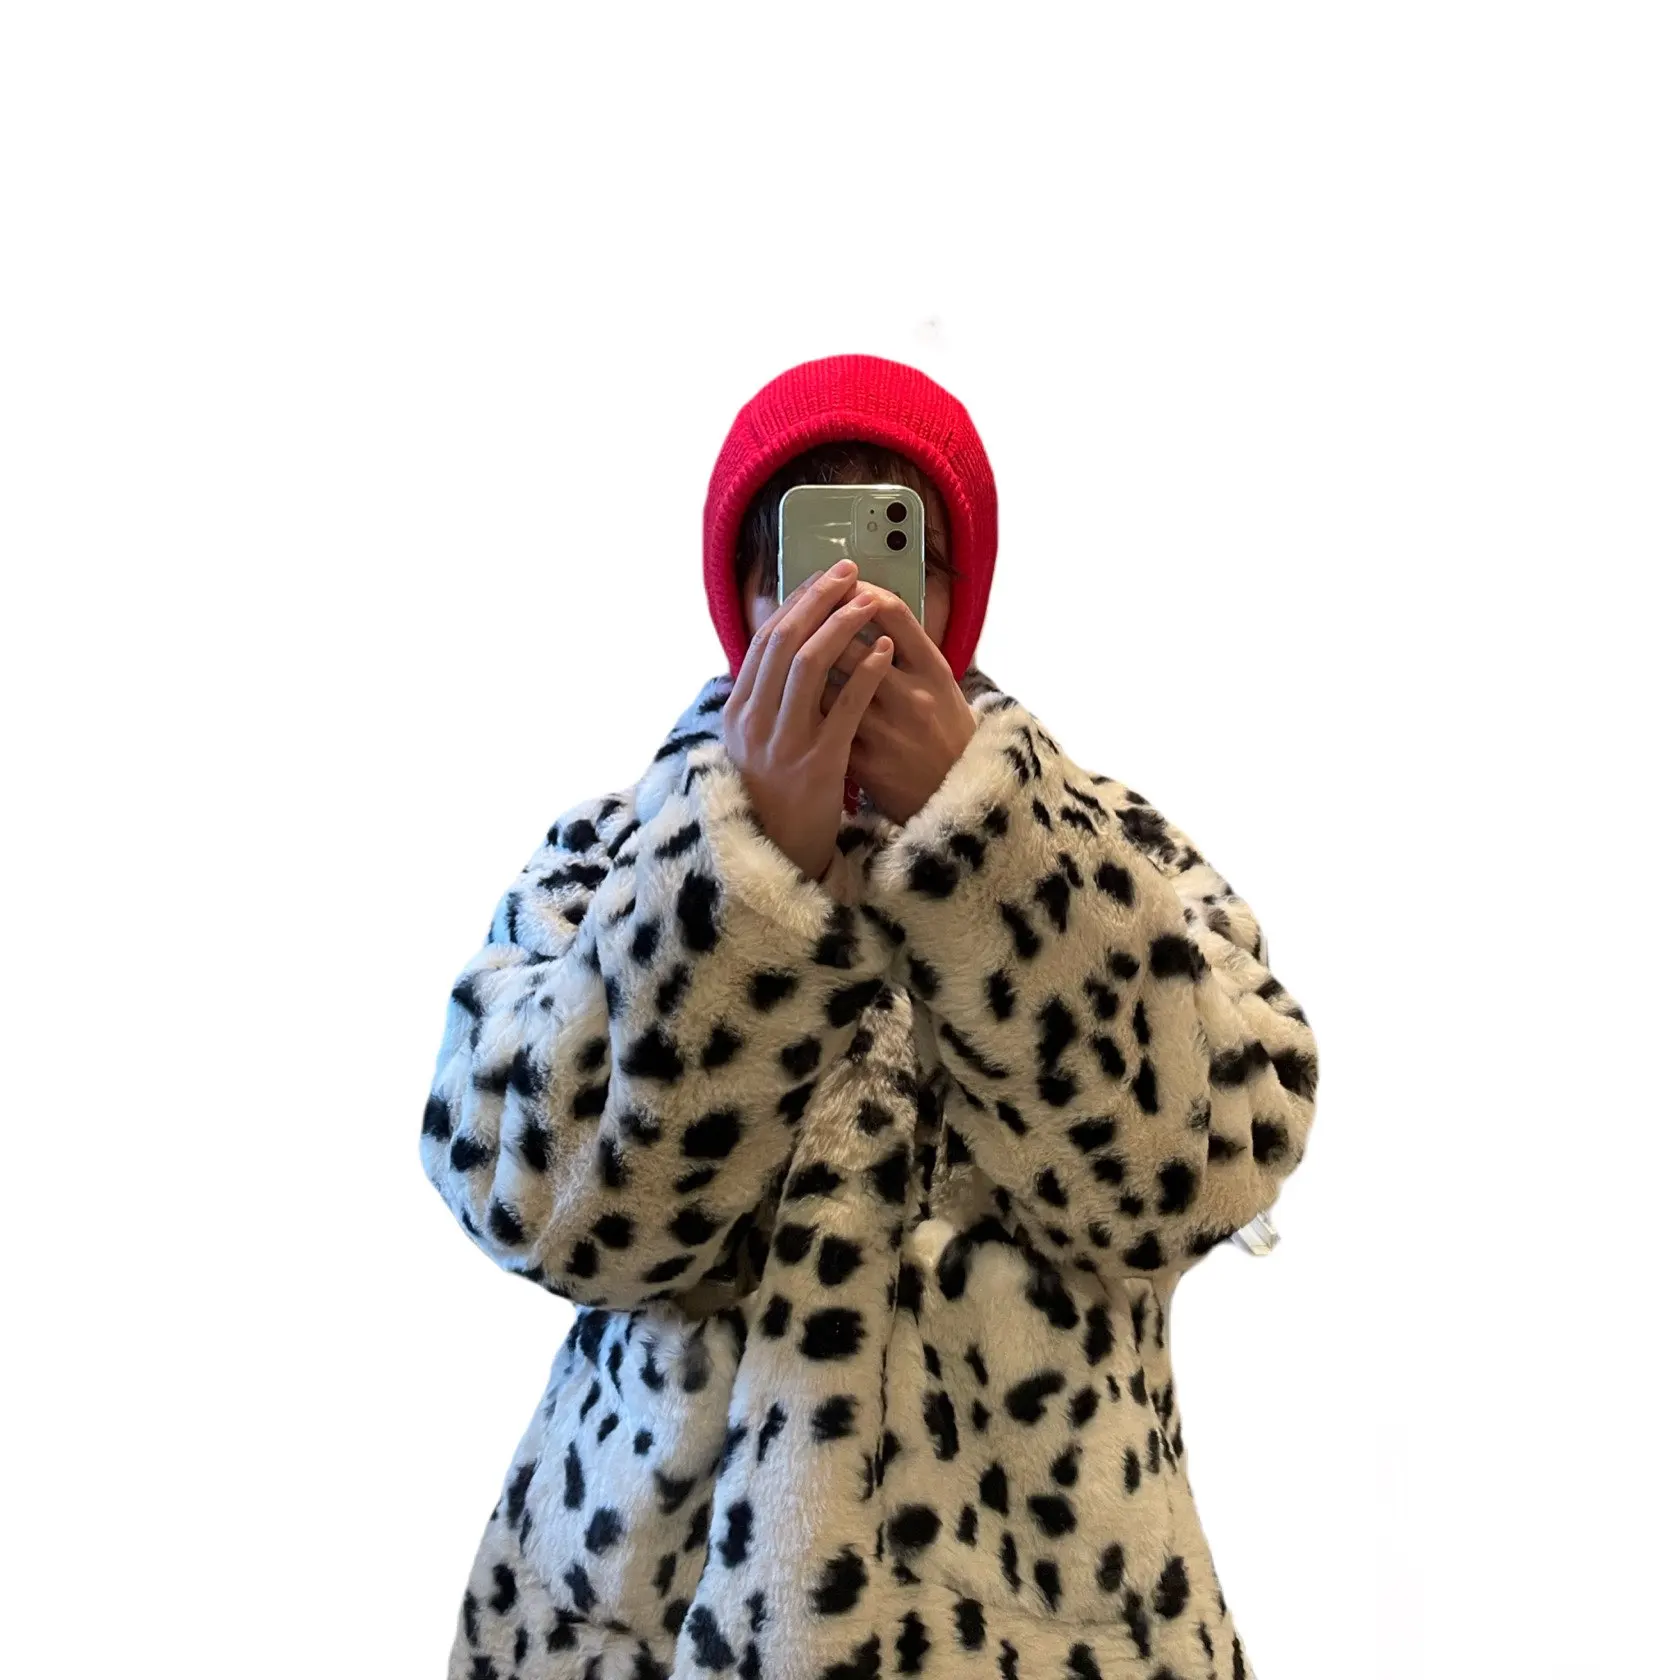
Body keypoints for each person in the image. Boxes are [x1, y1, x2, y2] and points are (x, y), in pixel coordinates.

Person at [420, 354, 1320, 1680]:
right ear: (741, 591)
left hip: (1035, 1637)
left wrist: (990, 850)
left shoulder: (1108, 854)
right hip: (656, 1628)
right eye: (799, 549)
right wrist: (738, 889)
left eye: (900, 547)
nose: (847, 597)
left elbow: (1194, 1176)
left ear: (960, 594)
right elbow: (531, 1203)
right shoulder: (613, 857)